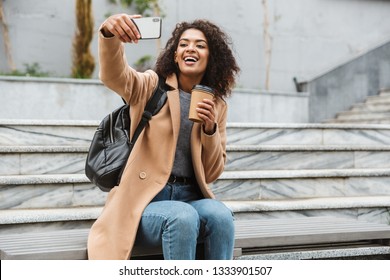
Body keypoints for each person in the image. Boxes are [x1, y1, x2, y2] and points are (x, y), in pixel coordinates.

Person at [87, 14, 240, 260]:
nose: (191, 48)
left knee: (221, 215)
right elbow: (114, 76)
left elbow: (211, 173)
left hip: (190, 196)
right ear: (176, 55)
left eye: (200, 45)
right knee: (182, 216)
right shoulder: (150, 86)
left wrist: (210, 130)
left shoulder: (217, 105)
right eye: (184, 44)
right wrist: (110, 34)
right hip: (144, 202)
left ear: (212, 58)